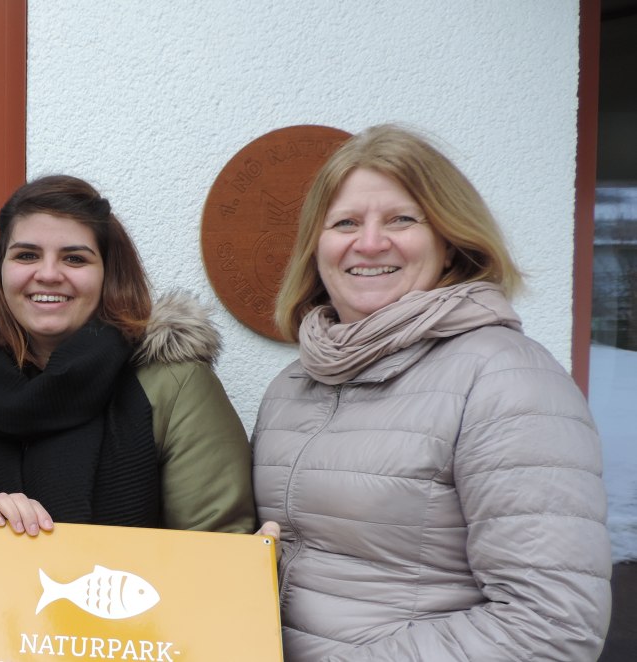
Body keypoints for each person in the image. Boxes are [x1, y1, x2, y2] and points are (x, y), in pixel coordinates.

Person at [251, 124, 611, 660]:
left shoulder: (504, 377)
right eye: (345, 222)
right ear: (316, 248)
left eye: (401, 219)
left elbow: (551, 623)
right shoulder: (295, 384)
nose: (369, 243)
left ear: (449, 244)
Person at [0, 174, 255, 538]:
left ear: (109, 273)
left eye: (75, 259)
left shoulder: (174, 388)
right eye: (26, 255)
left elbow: (219, 551)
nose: (47, 274)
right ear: (1, 270)